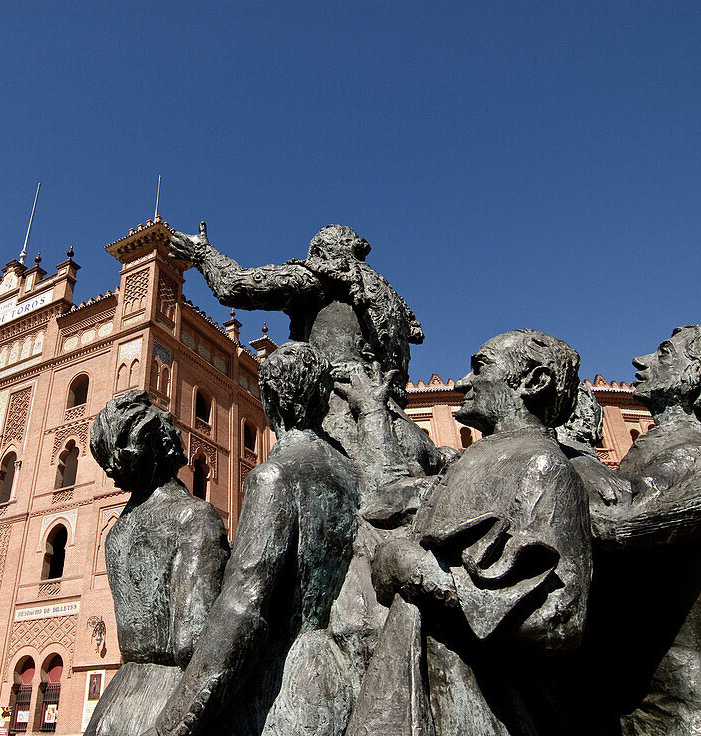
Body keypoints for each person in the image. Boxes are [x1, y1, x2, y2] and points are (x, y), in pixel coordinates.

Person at [354, 329, 592, 735]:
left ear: (534, 382)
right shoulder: (472, 460)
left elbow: (561, 619)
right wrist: (373, 413)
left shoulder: (543, 466)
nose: (464, 381)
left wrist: (420, 572)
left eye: (480, 367)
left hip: (485, 709)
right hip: (423, 689)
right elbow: (386, 498)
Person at [153, 342, 361, 736]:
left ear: (271, 401)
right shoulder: (352, 474)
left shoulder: (274, 477)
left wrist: (170, 726)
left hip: (282, 688)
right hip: (337, 677)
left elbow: (242, 609)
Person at [577, 325, 701, 735]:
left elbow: (612, 528)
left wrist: (561, 454)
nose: (641, 361)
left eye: (664, 354)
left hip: (688, 711)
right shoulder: (661, 460)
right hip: (642, 697)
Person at [168, 223, 453, 481]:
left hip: (336, 408)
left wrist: (201, 252)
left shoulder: (322, 278)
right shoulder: (386, 295)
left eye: (313, 252)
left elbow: (234, 286)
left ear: (321, 252)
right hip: (395, 421)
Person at [83, 391, 230, 736]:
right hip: (166, 701)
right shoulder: (194, 518)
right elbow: (194, 641)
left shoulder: (116, 533)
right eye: (167, 424)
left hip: (116, 704)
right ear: (153, 442)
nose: (177, 431)